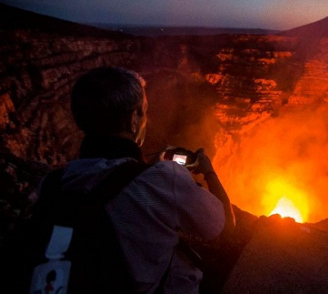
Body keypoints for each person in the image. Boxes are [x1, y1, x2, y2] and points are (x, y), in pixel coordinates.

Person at [44, 66, 235, 293]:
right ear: (134, 118)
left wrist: (143, 169)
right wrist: (208, 171)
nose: (146, 120)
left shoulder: (52, 184)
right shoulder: (163, 180)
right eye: (143, 111)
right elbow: (224, 227)